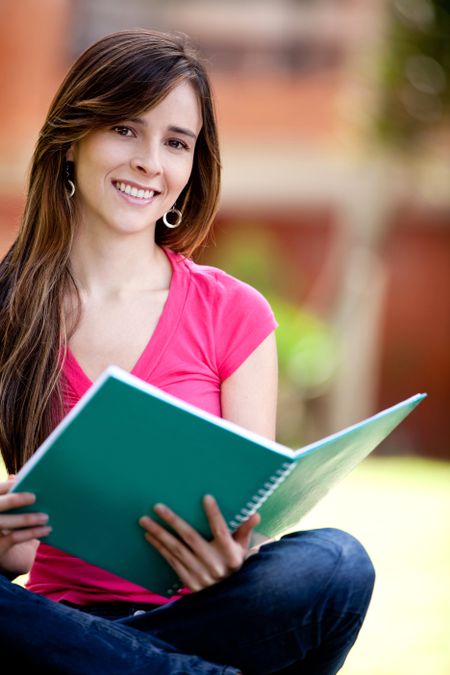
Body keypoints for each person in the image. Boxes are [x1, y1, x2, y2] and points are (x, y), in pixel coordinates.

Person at [0, 29, 375, 674]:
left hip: (204, 617)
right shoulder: (11, 307)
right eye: (124, 129)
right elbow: (16, 563)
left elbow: (250, 515)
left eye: (176, 142)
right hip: (54, 625)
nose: (151, 161)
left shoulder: (234, 312)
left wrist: (228, 560)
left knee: (337, 563)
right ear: (71, 140)